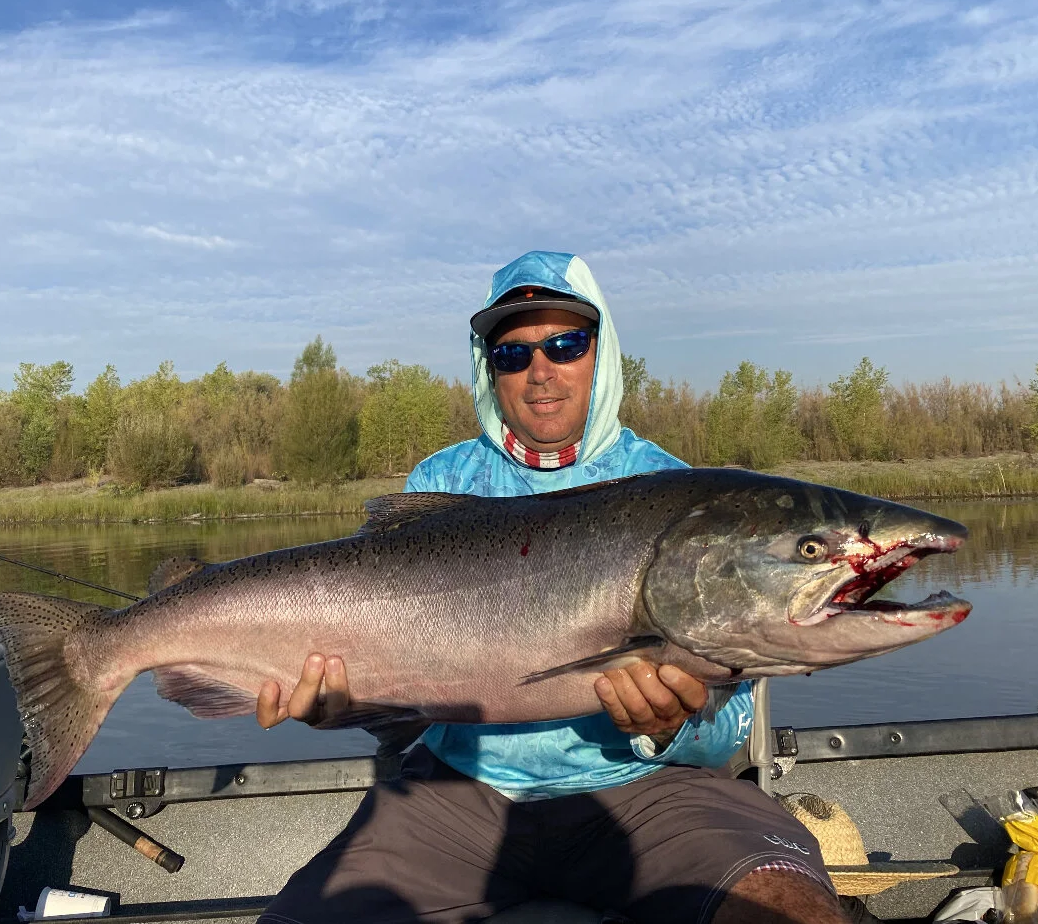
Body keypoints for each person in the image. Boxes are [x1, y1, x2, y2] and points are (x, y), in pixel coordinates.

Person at [256, 252, 848, 924]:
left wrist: (673, 726)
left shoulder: (681, 493)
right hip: (457, 793)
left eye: (565, 344)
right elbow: (396, 694)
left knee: (786, 911)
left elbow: (730, 724)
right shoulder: (437, 482)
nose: (540, 371)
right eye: (512, 354)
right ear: (489, 368)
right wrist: (349, 704)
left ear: (602, 352)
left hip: (645, 790)